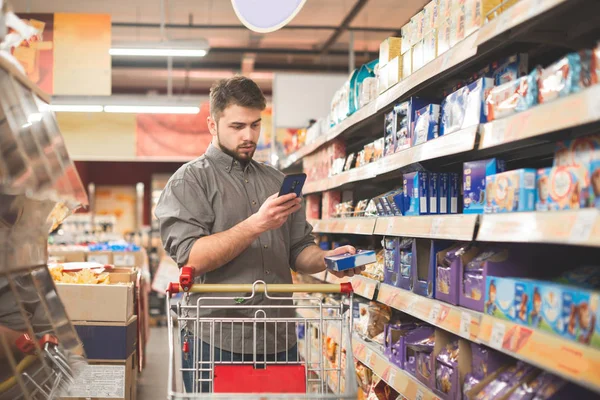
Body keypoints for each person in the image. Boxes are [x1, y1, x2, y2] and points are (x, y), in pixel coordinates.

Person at [155, 76, 363, 393]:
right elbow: (191, 257)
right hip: (218, 340)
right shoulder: (189, 182)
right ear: (212, 125)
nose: (248, 135)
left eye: (255, 125)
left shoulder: (276, 180)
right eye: (237, 126)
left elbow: (298, 250)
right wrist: (256, 224)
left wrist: (327, 259)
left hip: (278, 338)